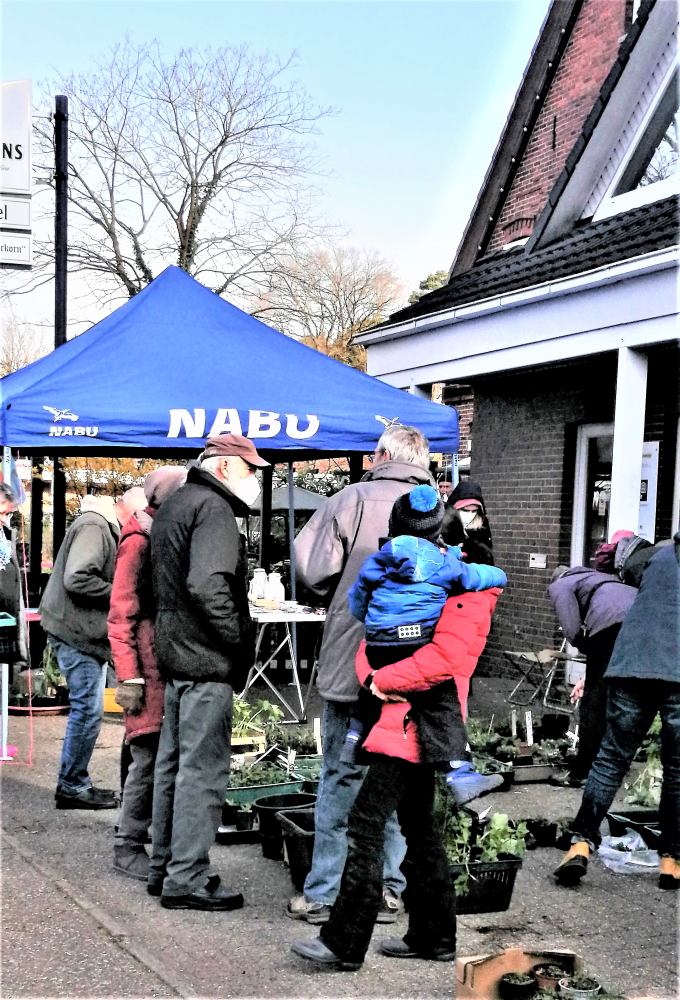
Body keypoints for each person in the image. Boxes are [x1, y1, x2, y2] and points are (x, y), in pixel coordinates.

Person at [291, 578, 504, 970]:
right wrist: (374, 675)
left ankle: (344, 942)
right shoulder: (428, 587)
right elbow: (372, 641)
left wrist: (381, 680)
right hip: (405, 724)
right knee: (418, 828)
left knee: (365, 824)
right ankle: (434, 937)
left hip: (414, 728)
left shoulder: (463, 597)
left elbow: (442, 661)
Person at [288, 425, 433, 926]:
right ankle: (389, 891)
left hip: (355, 661)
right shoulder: (444, 507)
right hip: (416, 668)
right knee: (393, 780)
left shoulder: (351, 499)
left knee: (341, 775)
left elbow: (310, 569)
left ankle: (326, 892)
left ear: (381, 455)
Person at [148, 434, 266, 911]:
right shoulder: (213, 509)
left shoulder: (177, 502)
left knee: (172, 765)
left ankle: (165, 868)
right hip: (205, 657)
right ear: (222, 467)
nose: (254, 477)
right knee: (201, 770)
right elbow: (206, 584)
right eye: (248, 469)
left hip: (177, 652)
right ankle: (186, 876)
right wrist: (238, 636)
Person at [343, 483, 507, 804]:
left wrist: (372, 620)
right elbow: (475, 578)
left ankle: (352, 737)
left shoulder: (382, 559)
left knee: (412, 818)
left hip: (379, 638)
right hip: (416, 640)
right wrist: (498, 575)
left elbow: (359, 597)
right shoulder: (446, 565)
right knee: (441, 699)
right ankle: (459, 772)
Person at [554, 533, 680, 890]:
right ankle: (671, 860)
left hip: (630, 664)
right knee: (677, 769)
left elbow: (633, 571)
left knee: (611, 757)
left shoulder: (658, 555)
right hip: (676, 673)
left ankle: (579, 843)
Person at [108, 466, 187, 881]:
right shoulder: (140, 541)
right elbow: (121, 615)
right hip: (146, 669)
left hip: (155, 664)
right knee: (148, 757)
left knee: (152, 756)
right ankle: (128, 844)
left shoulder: (154, 533)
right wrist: (130, 678)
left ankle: (146, 840)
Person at [40, 494, 122, 809]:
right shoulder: (96, 525)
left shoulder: (97, 524)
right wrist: (122, 592)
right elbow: (78, 578)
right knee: (87, 711)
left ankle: (75, 781)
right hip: (77, 633)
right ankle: (72, 785)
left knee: (87, 711)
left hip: (77, 630)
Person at [548, 532, 639, 787]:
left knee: (593, 704)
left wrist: (588, 648)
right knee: (624, 698)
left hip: (612, 627)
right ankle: (616, 765)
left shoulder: (560, 585)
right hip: (640, 623)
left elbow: (572, 630)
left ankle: (581, 771)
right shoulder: (599, 577)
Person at [0, 483, 28, 671]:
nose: (4, 518)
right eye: (2, 512)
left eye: (7, 514)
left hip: (5, 616)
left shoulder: (5, 535)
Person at [441, 479, 494, 564]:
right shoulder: (443, 529)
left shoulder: (482, 527)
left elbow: (488, 558)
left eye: (474, 511)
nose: (470, 515)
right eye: (465, 510)